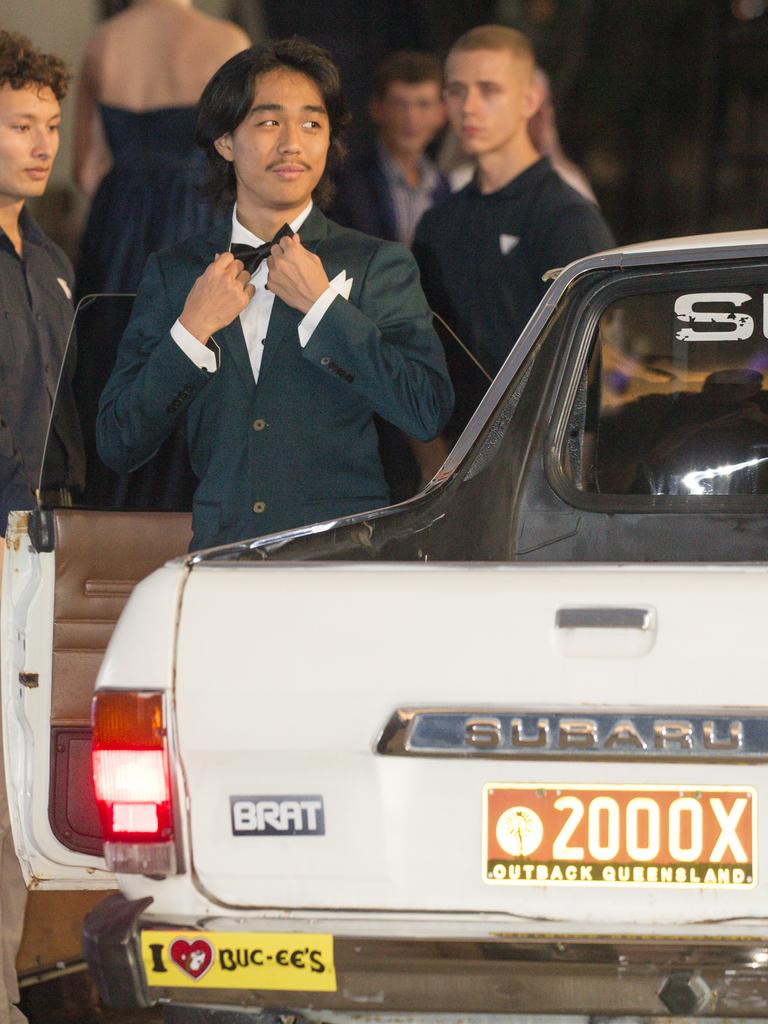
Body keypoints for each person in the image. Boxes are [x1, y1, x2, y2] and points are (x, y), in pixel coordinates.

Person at [96, 38, 454, 552]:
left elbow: (426, 410)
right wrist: (190, 332)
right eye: (268, 123)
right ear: (224, 140)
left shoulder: (380, 264)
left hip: (343, 560)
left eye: (312, 124)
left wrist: (324, 309)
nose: (292, 143)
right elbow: (117, 442)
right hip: (223, 559)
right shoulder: (175, 273)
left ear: (330, 141)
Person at [413, 25, 614, 441]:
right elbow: (420, 350)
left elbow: (593, 365)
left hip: (542, 463)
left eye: (489, 90)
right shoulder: (437, 224)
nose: (469, 107)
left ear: (529, 100)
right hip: (451, 466)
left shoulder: (567, 219)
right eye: (456, 90)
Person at [0, 30, 74, 1022]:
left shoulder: (52, 259)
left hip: (31, 552)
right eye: (20, 125)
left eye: (52, 128)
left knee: (18, 798)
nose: (41, 145)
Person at [73, 0, 250, 296]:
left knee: (112, 330)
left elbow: (83, 170)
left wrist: (127, 203)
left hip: (117, 223)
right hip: (198, 215)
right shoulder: (227, 41)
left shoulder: (102, 41)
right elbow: (249, 158)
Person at [330, 51, 449, 246]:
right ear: (377, 109)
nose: (411, 118)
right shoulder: (346, 182)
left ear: (441, 113)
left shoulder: (444, 188)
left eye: (423, 104)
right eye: (399, 104)